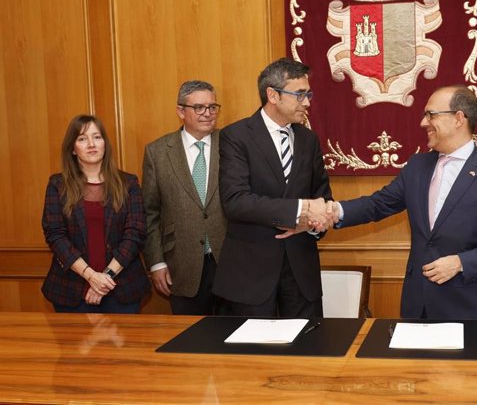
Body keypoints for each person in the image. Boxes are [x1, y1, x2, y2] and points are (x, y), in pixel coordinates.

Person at [328, 85, 477, 320]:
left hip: (471, 309)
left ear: (458, 119)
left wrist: (461, 262)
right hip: (418, 305)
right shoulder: (417, 166)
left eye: (431, 115)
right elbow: (377, 204)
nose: (423, 122)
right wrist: (333, 211)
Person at [213, 58, 332, 318]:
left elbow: (322, 198)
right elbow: (235, 201)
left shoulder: (309, 139)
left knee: (308, 351)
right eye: (300, 95)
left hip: (302, 274)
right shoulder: (237, 136)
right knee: (253, 356)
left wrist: (312, 223)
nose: (308, 103)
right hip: (251, 276)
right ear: (273, 95)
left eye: (308, 94)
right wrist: (300, 209)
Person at [42, 115, 150, 313]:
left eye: (97, 137)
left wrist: (105, 278)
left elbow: (135, 233)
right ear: (73, 149)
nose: (91, 144)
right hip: (72, 289)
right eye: (82, 139)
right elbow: (55, 235)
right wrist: (91, 276)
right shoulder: (57, 185)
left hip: (122, 289)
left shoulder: (129, 184)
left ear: (105, 144)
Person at [142, 80, 227, 315]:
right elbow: (150, 214)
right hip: (181, 264)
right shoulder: (157, 152)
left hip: (230, 262)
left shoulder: (232, 144)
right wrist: (156, 262)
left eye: (212, 107)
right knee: (192, 343)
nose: (208, 114)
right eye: (199, 107)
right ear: (181, 111)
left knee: (234, 340)